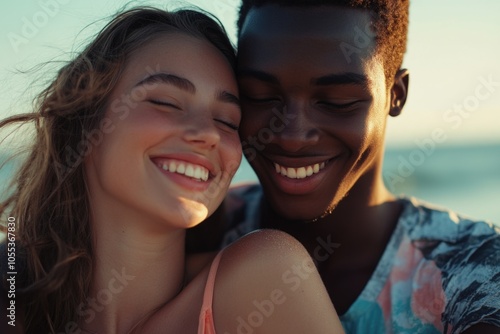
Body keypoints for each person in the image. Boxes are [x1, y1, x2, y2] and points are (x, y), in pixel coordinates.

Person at [0, 7, 346, 334]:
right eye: (164, 102)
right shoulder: (12, 289)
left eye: (227, 121)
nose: (209, 133)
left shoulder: (265, 280)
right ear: (83, 120)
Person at [187, 1, 500, 333]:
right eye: (260, 96)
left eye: (338, 102)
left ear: (396, 94)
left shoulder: (475, 264)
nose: (293, 136)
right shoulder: (194, 225)